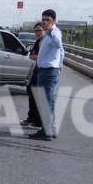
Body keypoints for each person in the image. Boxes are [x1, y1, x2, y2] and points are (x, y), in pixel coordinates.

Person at [30, 9, 64, 141]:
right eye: (43, 20)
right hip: (45, 70)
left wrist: (50, 31)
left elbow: (58, 45)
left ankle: (46, 131)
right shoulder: (47, 35)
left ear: (54, 21)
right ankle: (51, 129)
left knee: (46, 101)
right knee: (49, 101)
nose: (44, 22)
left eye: (47, 20)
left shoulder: (54, 32)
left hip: (49, 71)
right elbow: (61, 52)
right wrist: (60, 66)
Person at [20, 22, 45, 128]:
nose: (37, 33)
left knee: (40, 96)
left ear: (44, 30)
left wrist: (37, 56)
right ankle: (31, 118)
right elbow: (31, 55)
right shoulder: (38, 41)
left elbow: (47, 57)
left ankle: (39, 121)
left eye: (39, 30)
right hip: (36, 69)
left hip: (44, 71)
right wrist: (37, 56)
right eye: (36, 31)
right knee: (31, 91)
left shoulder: (47, 42)